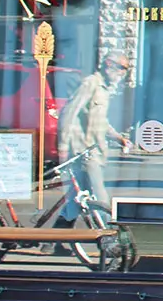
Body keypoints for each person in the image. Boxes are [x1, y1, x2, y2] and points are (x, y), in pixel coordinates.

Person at [54, 51, 133, 227]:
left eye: (125, 70)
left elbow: (101, 122)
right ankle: (110, 237)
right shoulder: (90, 83)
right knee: (99, 195)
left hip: (95, 151)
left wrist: (120, 138)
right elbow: (69, 112)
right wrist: (63, 144)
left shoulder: (104, 89)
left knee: (77, 197)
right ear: (108, 65)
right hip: (83, 151)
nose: (123, 73)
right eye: (121, 68)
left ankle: (53, 241)